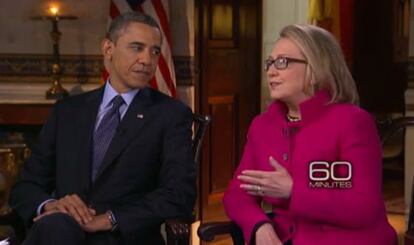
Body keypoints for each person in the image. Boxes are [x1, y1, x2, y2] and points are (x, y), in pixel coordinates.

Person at [10, 11, 196, 245]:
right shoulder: (67, 111)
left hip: (122, 237)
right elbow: (26, 186)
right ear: (108, 48)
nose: (147, 60)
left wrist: (110, 219)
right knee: (56, 225)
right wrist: (51, 205)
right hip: (61, 231)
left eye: (155, 51)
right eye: (137, 48)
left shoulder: (170, 115)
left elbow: (179, 194)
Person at [223, 24, 397, 245]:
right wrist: (259, 225)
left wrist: (293, 191)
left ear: (316, 68)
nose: (271, 71)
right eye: (270, 62)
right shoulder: (262, 126)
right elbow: (237, 195)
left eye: (282, 62)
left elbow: (363, 207)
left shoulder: (353, 122)